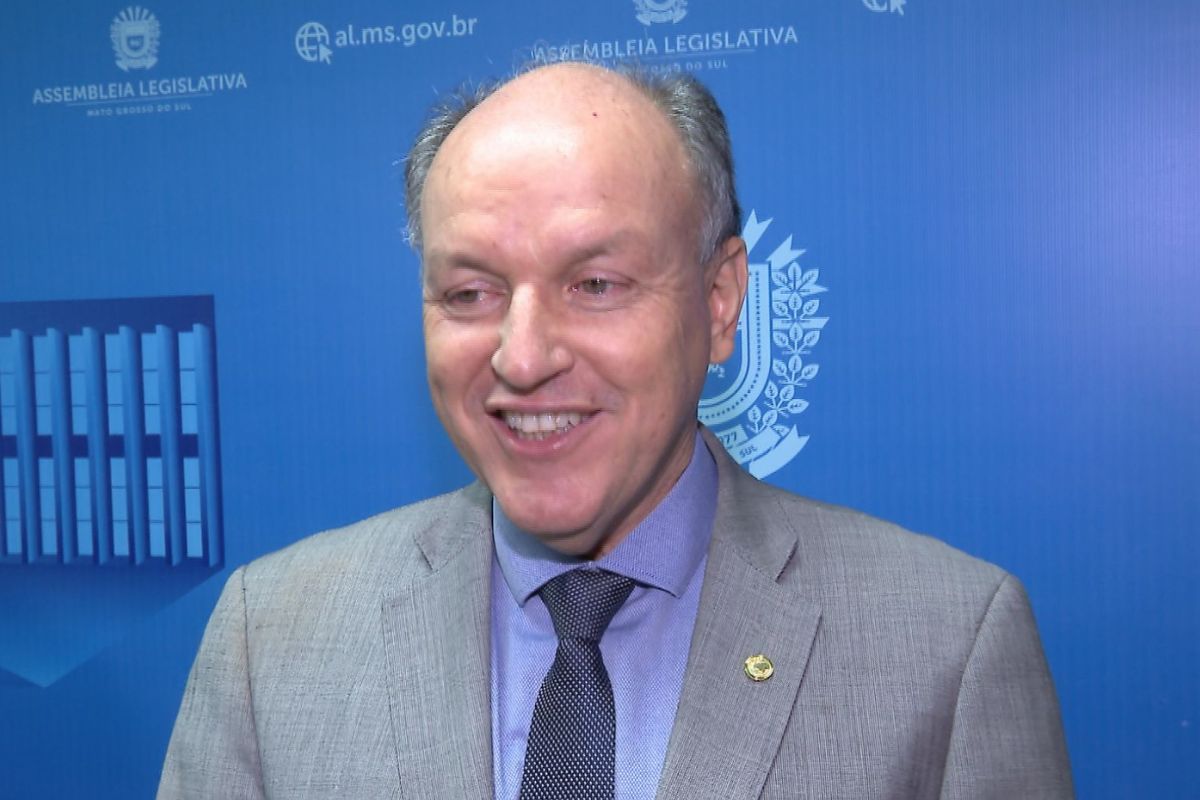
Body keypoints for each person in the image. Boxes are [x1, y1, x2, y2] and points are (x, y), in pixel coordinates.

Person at [158, 62, 1073, 799]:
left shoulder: (948, 647)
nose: (522, 357)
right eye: (471, 293)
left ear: (720, 303)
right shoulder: (269, 639)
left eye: (595, 284)